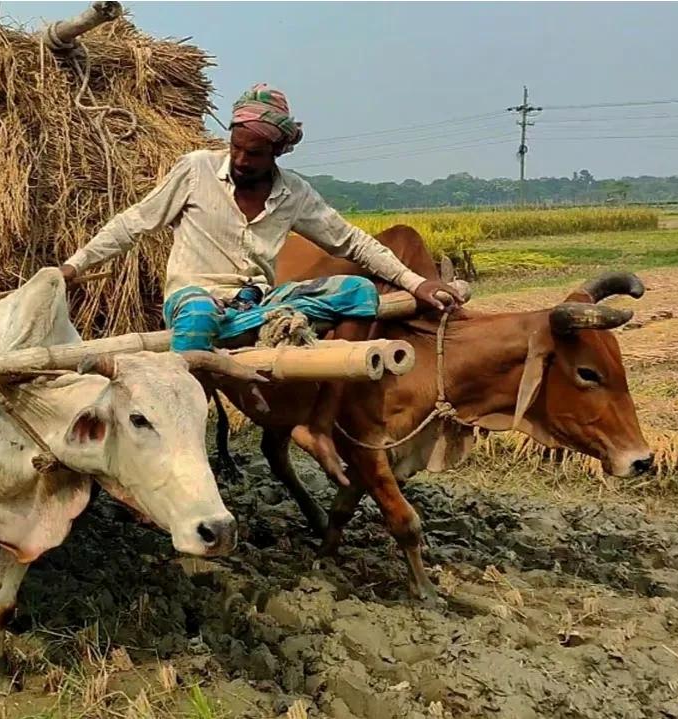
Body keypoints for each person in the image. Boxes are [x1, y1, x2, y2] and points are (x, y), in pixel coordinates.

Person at [60, 83, 465, 483]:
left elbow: (351, 240)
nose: (240, 159)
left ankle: (321, 422)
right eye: (235, 147)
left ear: (278, 151)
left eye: (253, 153)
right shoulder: (196, 170)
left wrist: (414, 284)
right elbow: (133, 224)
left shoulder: (294, 194)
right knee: (200, 314)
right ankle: (181, 445)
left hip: (258, 306)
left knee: (356, 293)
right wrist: (74, 267)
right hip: (194, 300)